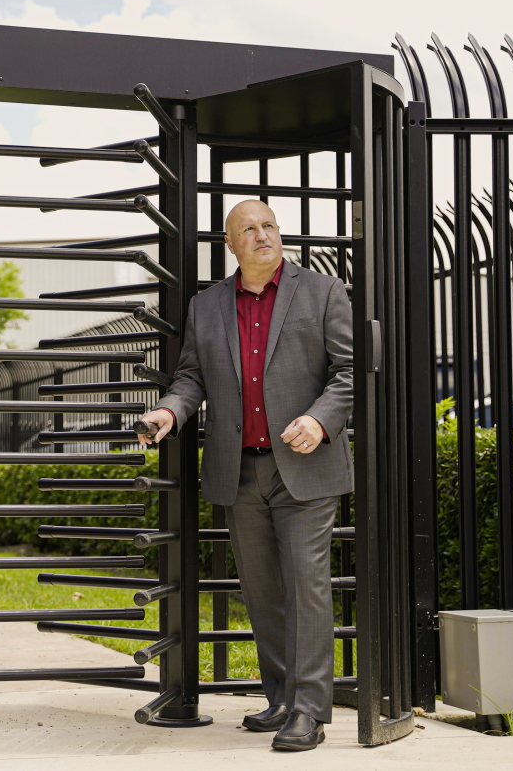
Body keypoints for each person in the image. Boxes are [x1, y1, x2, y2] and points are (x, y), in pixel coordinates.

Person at [136, 199, 353, 752]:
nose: (262, 235)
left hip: (305, 465)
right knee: (262, 591)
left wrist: (320, 419)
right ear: (230, 244)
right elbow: (191, 378)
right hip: (240, 469)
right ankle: (280, 696)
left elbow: (350, 372)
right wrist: (169, 412)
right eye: (248, 230)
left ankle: (309, 709)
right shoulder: (207, 305)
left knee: (306, 586)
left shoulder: (322, 292)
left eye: (269, 226)